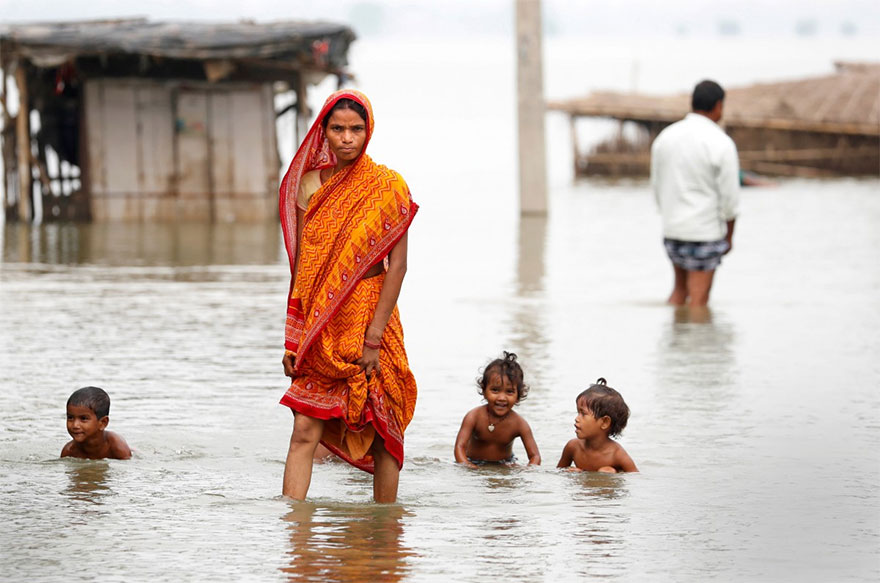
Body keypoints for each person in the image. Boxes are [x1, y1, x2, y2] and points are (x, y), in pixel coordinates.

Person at [278, 90, 418, 503]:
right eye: (337, 129)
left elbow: (398, 267)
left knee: (381, 427)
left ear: (368, 131)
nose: (347, 138)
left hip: (372, 316)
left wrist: (373, 337)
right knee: (304, 428)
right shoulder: (308, 187)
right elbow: (303, 268)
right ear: (323, 132)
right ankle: (292, 528)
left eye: (356, 129)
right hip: (321, 323)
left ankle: (384, 528)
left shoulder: (388, 187)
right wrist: (293, 338)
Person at [651, 79, 740, 307]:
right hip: (703, 232)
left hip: (672, 230)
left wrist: (668, 218)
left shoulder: (665, 137)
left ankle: (673, 339)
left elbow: (657, 185)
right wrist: (729, 237)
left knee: (679, 292)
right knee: (699, 301)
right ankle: (696, 342)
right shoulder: (720, 142)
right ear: (718, 105)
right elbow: (730, 199)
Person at [454, 352, 541, 467]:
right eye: (495, 390)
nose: (501, 398)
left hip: (505, 463)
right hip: (473, 462)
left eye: (509, 392)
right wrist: (466, 465)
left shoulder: (519, 424)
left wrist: (528, 471)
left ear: (518, 396)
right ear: (484, 391)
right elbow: (459, 447)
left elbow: (535, 456)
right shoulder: (474, 416)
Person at [557, 378, 637, 473]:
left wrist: (613, 478)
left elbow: (635, 480)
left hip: (606, 486)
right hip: (583, 486)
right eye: (578, 412)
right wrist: (572, 475)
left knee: (606, 471)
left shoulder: (617, 455)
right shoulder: (573, 447)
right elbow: (557, 474)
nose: (577, 418)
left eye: (583, 413)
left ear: (604, 422)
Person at [61, 386, 131, 460]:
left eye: (83, 418)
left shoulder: (118, 447)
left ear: (103, 423)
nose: (75, 425)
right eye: (70, 417)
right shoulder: (69, 452)